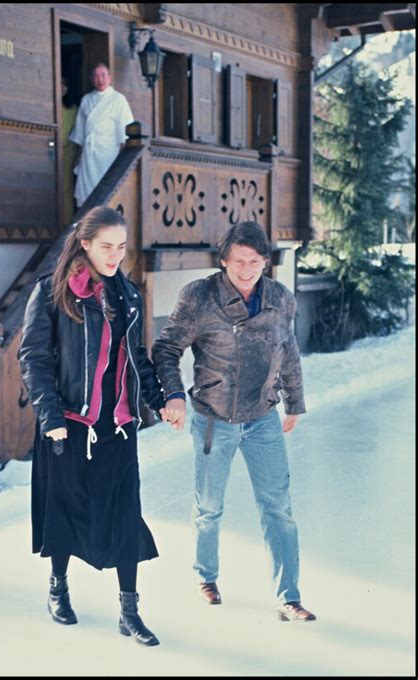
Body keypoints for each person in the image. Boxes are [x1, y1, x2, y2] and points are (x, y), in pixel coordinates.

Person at [152, 221, 316, 622]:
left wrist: (294, 400)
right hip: (214, 418)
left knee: (278, 507)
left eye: (255, 261)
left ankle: (288, 596)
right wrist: (173, 394)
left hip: (262, 417)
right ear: (223, 259)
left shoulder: (280, 297)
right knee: (209, 506)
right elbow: (166, 348)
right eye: (238, 261)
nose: (247, 269)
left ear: (266, 261)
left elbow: (288, 350)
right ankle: (205, 576)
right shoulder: (199, 296)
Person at [19, 206, 166, 646]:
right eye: (106, 246)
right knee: (64, 514)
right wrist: (50, 417)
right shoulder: (53, 292)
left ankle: (129, 612)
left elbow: (136, 357)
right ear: (84, 243)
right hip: (69, 425)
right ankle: (57, 589)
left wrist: (162, 400)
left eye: (121, 247)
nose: (115, 255)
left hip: (117, 425)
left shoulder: (130, 294)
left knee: (125, 516)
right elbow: (34, 358)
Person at [69, 63, 134, 208]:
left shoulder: (118, 99)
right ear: (92, 80)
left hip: (108, 153)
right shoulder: (86, 100)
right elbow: (80, 132)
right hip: (89, 155)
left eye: (103, 75)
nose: (100, 79)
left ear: (109, 78)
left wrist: (121, 160)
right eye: (96, 76)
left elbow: (125, 133)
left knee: (107, 193)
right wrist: (77, 158)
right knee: (86, 192)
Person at [61, 76, 78, 225]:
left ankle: (66, 224)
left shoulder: (72, 109)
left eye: (64, 85)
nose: (62, 88)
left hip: (67, 152)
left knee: (67, 188)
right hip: (52, 150)